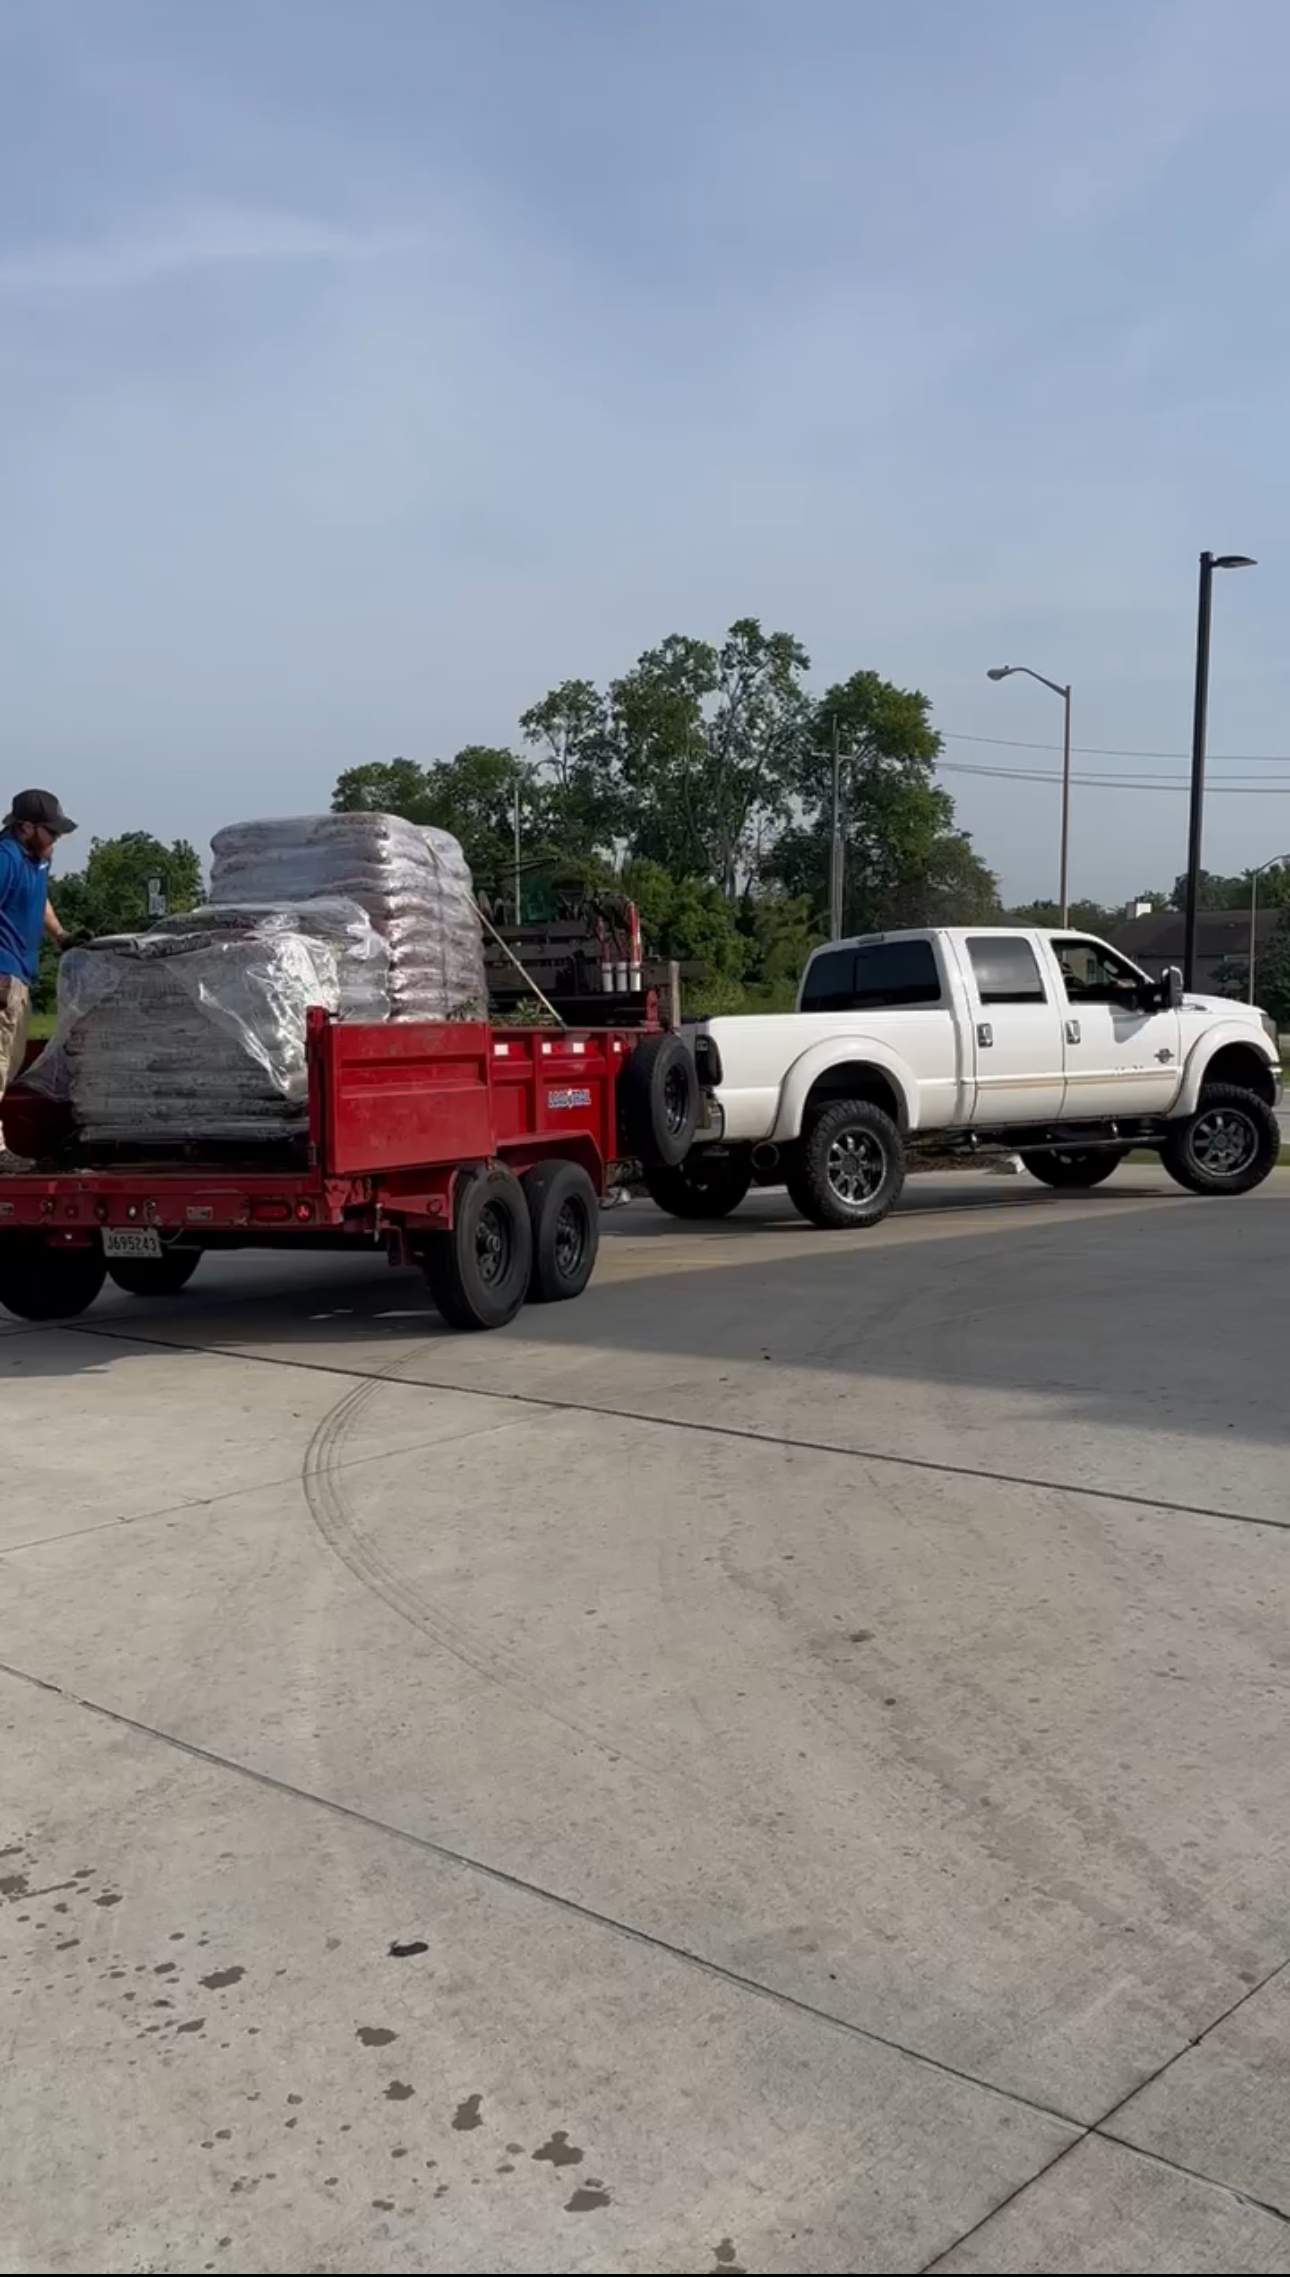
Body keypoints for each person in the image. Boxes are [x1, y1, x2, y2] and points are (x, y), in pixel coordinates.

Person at [0, 788, 77, 1172]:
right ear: (26, 827)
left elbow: (39, 899)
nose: (56, 839)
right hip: (3, 975)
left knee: (9, 1065)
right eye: (51, 831)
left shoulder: (36, 859)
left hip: (20, 976)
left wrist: (61, 936)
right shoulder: (5, 858)